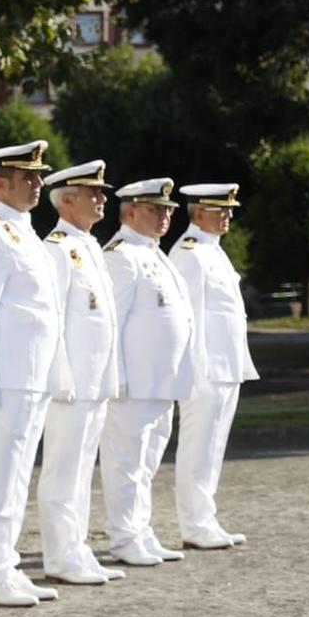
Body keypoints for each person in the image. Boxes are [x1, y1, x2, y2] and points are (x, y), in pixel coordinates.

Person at [0, 140, 67, 609]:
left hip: (29, 376)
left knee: (17, 478)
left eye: (38, 176)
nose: (38, 183)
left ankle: (5, 566)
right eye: (28, 177)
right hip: (4, 379)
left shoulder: (24, 231)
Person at [100, 178, 198, 568]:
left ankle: (140, 531)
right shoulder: (121, 255)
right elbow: (114, 322)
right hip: (134, 383)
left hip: (160, 380)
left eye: (168, 211)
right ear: (129, 212)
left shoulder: (155, 254)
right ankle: (124, 538)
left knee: (148, 461)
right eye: (155, 210)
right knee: (126, 462)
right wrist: (117, 377)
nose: (165, 217)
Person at [35, 161, 125, 586]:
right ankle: (59, 555)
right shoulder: (56, 248)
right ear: (67, 199)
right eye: (94, 193)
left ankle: (78, 547)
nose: (102, 199)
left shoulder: (89, 245)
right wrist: (61, 376)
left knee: (82, 469)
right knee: (62, 470)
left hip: (94, 381)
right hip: (71, 383)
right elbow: (51, 319)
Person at [171, 183, 259, 549]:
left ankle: (205, 518)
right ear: (197, 212)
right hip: (204, 369)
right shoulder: (189, 253)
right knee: (198, 446)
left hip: (227, 365)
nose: (229, 215)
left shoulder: (213, 250)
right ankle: (194, 524)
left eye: (230, 209)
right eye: (220, 209)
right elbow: (186, 317)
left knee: (213, 446)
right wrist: (193, 371)